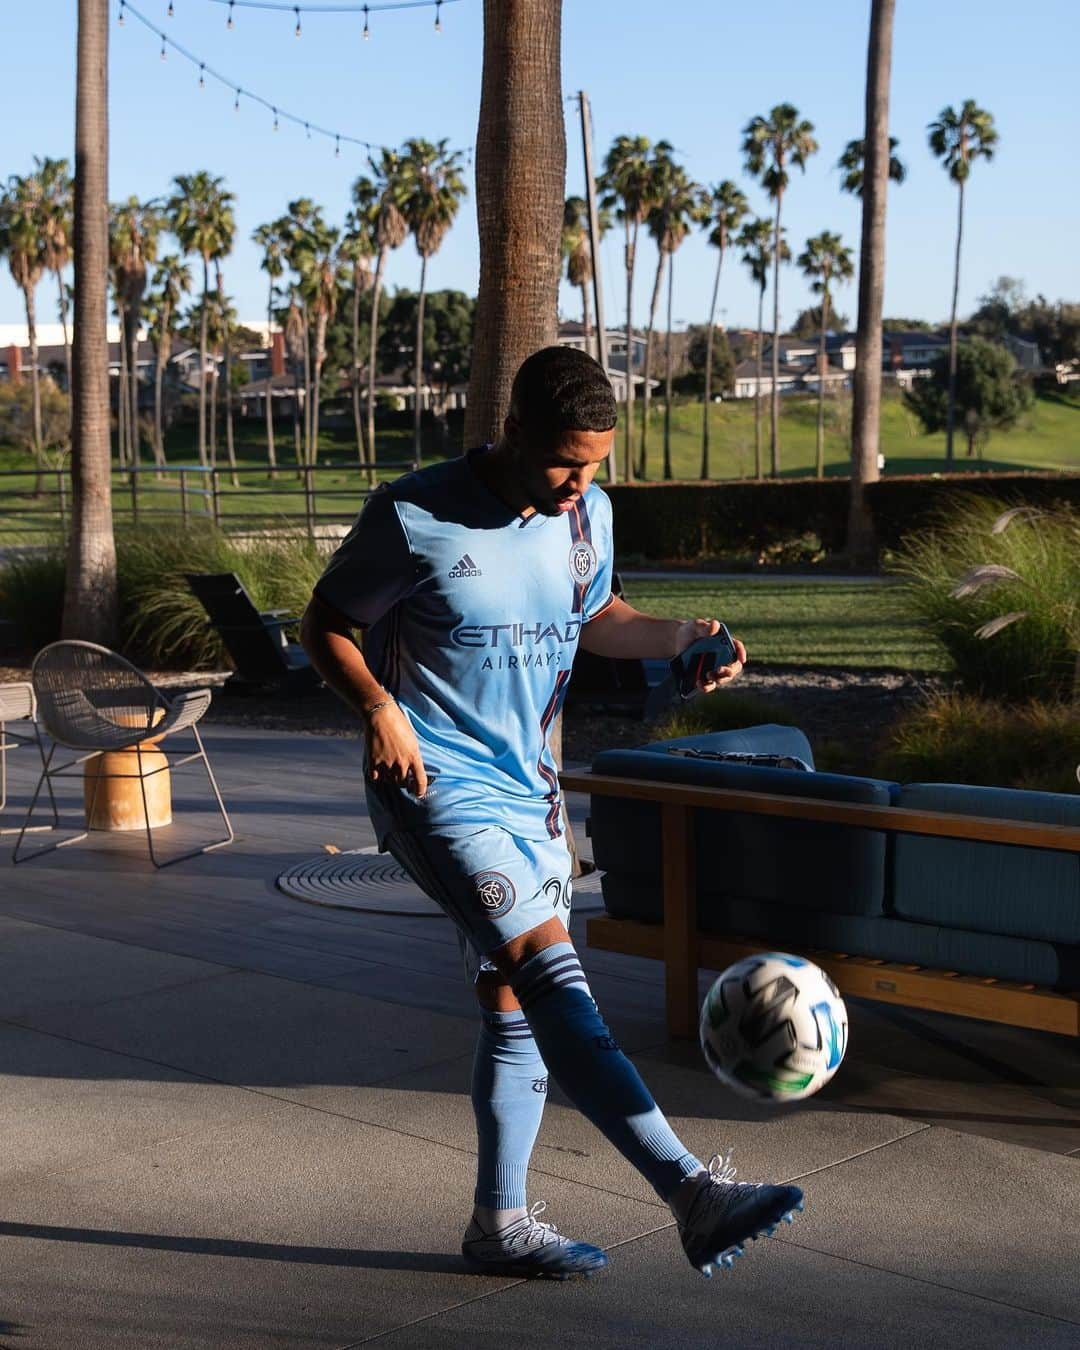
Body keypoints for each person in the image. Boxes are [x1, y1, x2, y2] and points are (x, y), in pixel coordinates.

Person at [300, 346, 803, 1281]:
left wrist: (686, 636)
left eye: (596, 465)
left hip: (532, 789)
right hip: (434, 782)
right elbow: (323, 624)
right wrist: (378, 708)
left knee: (515, 1008)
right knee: (547, 970)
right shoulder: (414, 514)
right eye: (565, 461)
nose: (580, 483)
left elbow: (597, 615)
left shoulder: (588, 515)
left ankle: (500, 1224)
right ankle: (692, 1190)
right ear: (515, 431)